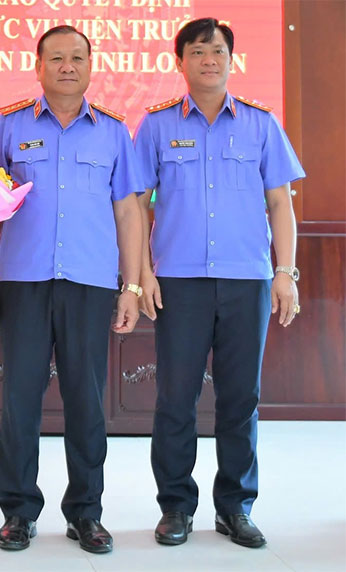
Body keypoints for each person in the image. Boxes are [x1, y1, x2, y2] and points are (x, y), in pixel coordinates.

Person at [133, 18, 304, 549]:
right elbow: (138, 205)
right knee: (175, 399)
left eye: (220, 51)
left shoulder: (260, 124)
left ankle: (236, 507)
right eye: (199, 51)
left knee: (240, 399)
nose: (210, 59)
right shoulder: (157, 126)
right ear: (179, 61)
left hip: (246, 280)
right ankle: (177, 508)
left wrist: (285, 273)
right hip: (178, 282)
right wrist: (141, 274)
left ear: (233, 60)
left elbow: (280, 203)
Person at [0, 25, 143, 555]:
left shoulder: (114, 132)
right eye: (56, 58)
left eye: (76, 58)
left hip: (90, 283)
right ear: (38, 65)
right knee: (20, 400)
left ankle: (85, 513)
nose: (67, 67)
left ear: (91, 66)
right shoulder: (8, 126)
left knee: (87, 402)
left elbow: (128, 212)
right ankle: (19, 512)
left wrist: (132, 286)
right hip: (24, 281)